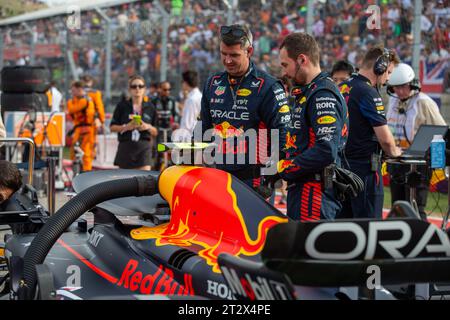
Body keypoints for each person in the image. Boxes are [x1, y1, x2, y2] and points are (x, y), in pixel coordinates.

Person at [200, 24, 290, 189]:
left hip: (254, 182)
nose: (227, 60)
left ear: (249, 51)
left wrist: (272, 179)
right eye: (223, 54)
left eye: (234, 55)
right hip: (217, 178)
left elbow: (284, 136)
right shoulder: (212, 83)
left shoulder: (268, 86)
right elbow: (201, 129)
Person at [278, 32, 349, 221]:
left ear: (302, 59)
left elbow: (326, 149)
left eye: (285, 65)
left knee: (307, 249)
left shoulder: (322, 94)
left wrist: (288, 167)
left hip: (314, 193)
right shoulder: (310, 92)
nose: (284, 72)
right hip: (305, 189)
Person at [339, 46, 402, 219]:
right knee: (369, 229)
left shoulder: (342, 86)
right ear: (379, 67)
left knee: (341, 230)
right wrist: (396, 152)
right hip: (364, 172)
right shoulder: (368, 92)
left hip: (340, 168)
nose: (388, 78)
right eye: (388, 72)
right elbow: (386, 141)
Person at [386, 62, 447, 219]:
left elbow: (441, 130)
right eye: (395, 87)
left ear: (412, 84)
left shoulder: (424, 102)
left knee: (416, 209)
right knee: (398, 207)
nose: (398, 91)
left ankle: (422, 240)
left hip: (419, 166)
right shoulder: (392, 101)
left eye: (403, 87)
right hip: (396, 163)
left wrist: (437, 162)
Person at [110, 75, 158, 170]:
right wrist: (126, 127)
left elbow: (156, 131)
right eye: (134, 86)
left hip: (143, 148)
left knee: (144, 180)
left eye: (140, 86)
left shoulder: (150, 107)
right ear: (129, 89)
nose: (137, 89)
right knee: (125, 183)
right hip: (126, 148)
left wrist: (147, 126)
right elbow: (112, 127)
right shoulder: (122, 106)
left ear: (144, 89)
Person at [67, 81, 96, 172]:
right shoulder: (79, 100)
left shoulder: (85, 101)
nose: (72, 93)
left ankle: (86, 174)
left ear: (80, 90)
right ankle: (78, 172)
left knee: (85, 154)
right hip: (80, 130)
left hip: (86, 131)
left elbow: (71, 109)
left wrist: (69, 102)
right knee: (75, 153)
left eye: (73, 91)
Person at [81, 75, 106, 161]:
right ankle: (88, 168)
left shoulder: (78, 93)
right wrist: (102, 121)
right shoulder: (95, 93)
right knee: (90, 147)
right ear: (91, 82)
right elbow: (100, 108)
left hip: (79, 124)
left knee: (79, 147)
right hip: (91, 123)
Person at [174, 70, 202, 142]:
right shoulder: (200, 96)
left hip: (189, 140)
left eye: (182, 81)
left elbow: (187, 125)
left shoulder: (191, 99)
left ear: (186, 83)